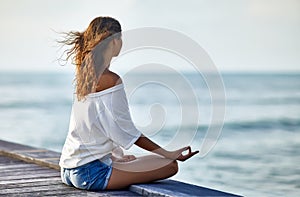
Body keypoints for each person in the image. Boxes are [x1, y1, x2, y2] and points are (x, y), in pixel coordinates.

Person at [59, 16, 199, 191]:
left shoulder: (84, 77)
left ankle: (112, 161)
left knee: (134, 159)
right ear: (113, 41)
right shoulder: (111, 80)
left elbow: (93, 128)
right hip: (91, 173)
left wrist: (114, 156)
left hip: (68, 168)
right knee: (170, 164)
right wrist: (168, 153)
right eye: (120, 38)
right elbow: (128, 132)